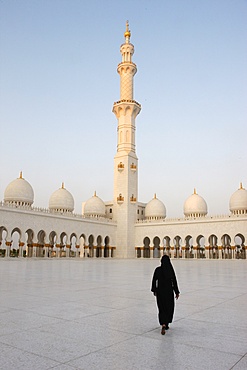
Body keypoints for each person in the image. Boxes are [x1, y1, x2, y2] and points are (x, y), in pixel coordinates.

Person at [151, 254, 180, 335]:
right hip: (168, 292)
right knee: (168, 307)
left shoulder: (158, 270)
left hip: (160, 292)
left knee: (161, 308)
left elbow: (154, 280)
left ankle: (163, 323)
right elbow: (174, 281)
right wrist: (176, 292)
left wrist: (154, 290)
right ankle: (166, 323)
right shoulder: (170, 270)